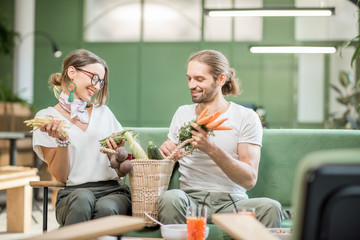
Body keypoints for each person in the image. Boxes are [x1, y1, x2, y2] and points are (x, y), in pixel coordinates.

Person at [158, 49, 282, 227]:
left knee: (271, 208)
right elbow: (167, 161)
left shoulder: (246, 117)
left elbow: (249, 179)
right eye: (189, 78)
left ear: (221, 80)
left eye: (199, 79)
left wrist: (211, 149)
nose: (191, 85)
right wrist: (166, 154)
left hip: (232, 203)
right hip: (190, 201)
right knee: (171, 198)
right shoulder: (182, 113)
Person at [32, 49, 131, 226]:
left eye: (100, 82)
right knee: (82, 198)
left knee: (106, 208)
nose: (97, 86)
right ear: (72, 72)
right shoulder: (47, 118)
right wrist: (63, 140)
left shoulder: (104, 113)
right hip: (72, 195)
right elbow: (60, 177)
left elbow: (123, 169)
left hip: (112, 192)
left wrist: (115, 155)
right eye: (94, 78)